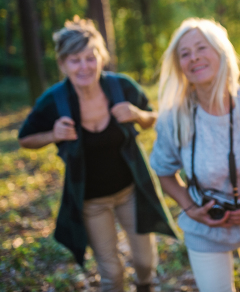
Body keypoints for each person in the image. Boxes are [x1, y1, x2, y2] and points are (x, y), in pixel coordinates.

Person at [18, 17, 177, 292]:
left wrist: (138, 115)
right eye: (75, 60)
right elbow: (25, 138)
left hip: (130, 191)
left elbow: (153, 118)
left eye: (90, 58)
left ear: (101, 58)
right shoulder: (54, 100)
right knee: (111, 273)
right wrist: (52, 135)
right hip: (91, 201)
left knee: (144, 262)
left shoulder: (121, 87)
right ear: (63, 64)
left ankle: (145, 286)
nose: (84, 67)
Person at [149, 18, 240, 292]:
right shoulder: (174, 117)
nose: (194, 58)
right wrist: (191, 208)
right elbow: (163, 171)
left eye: (201, 48)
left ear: (220, 52)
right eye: (185, 53)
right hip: (206, 231)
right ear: (179, 66)